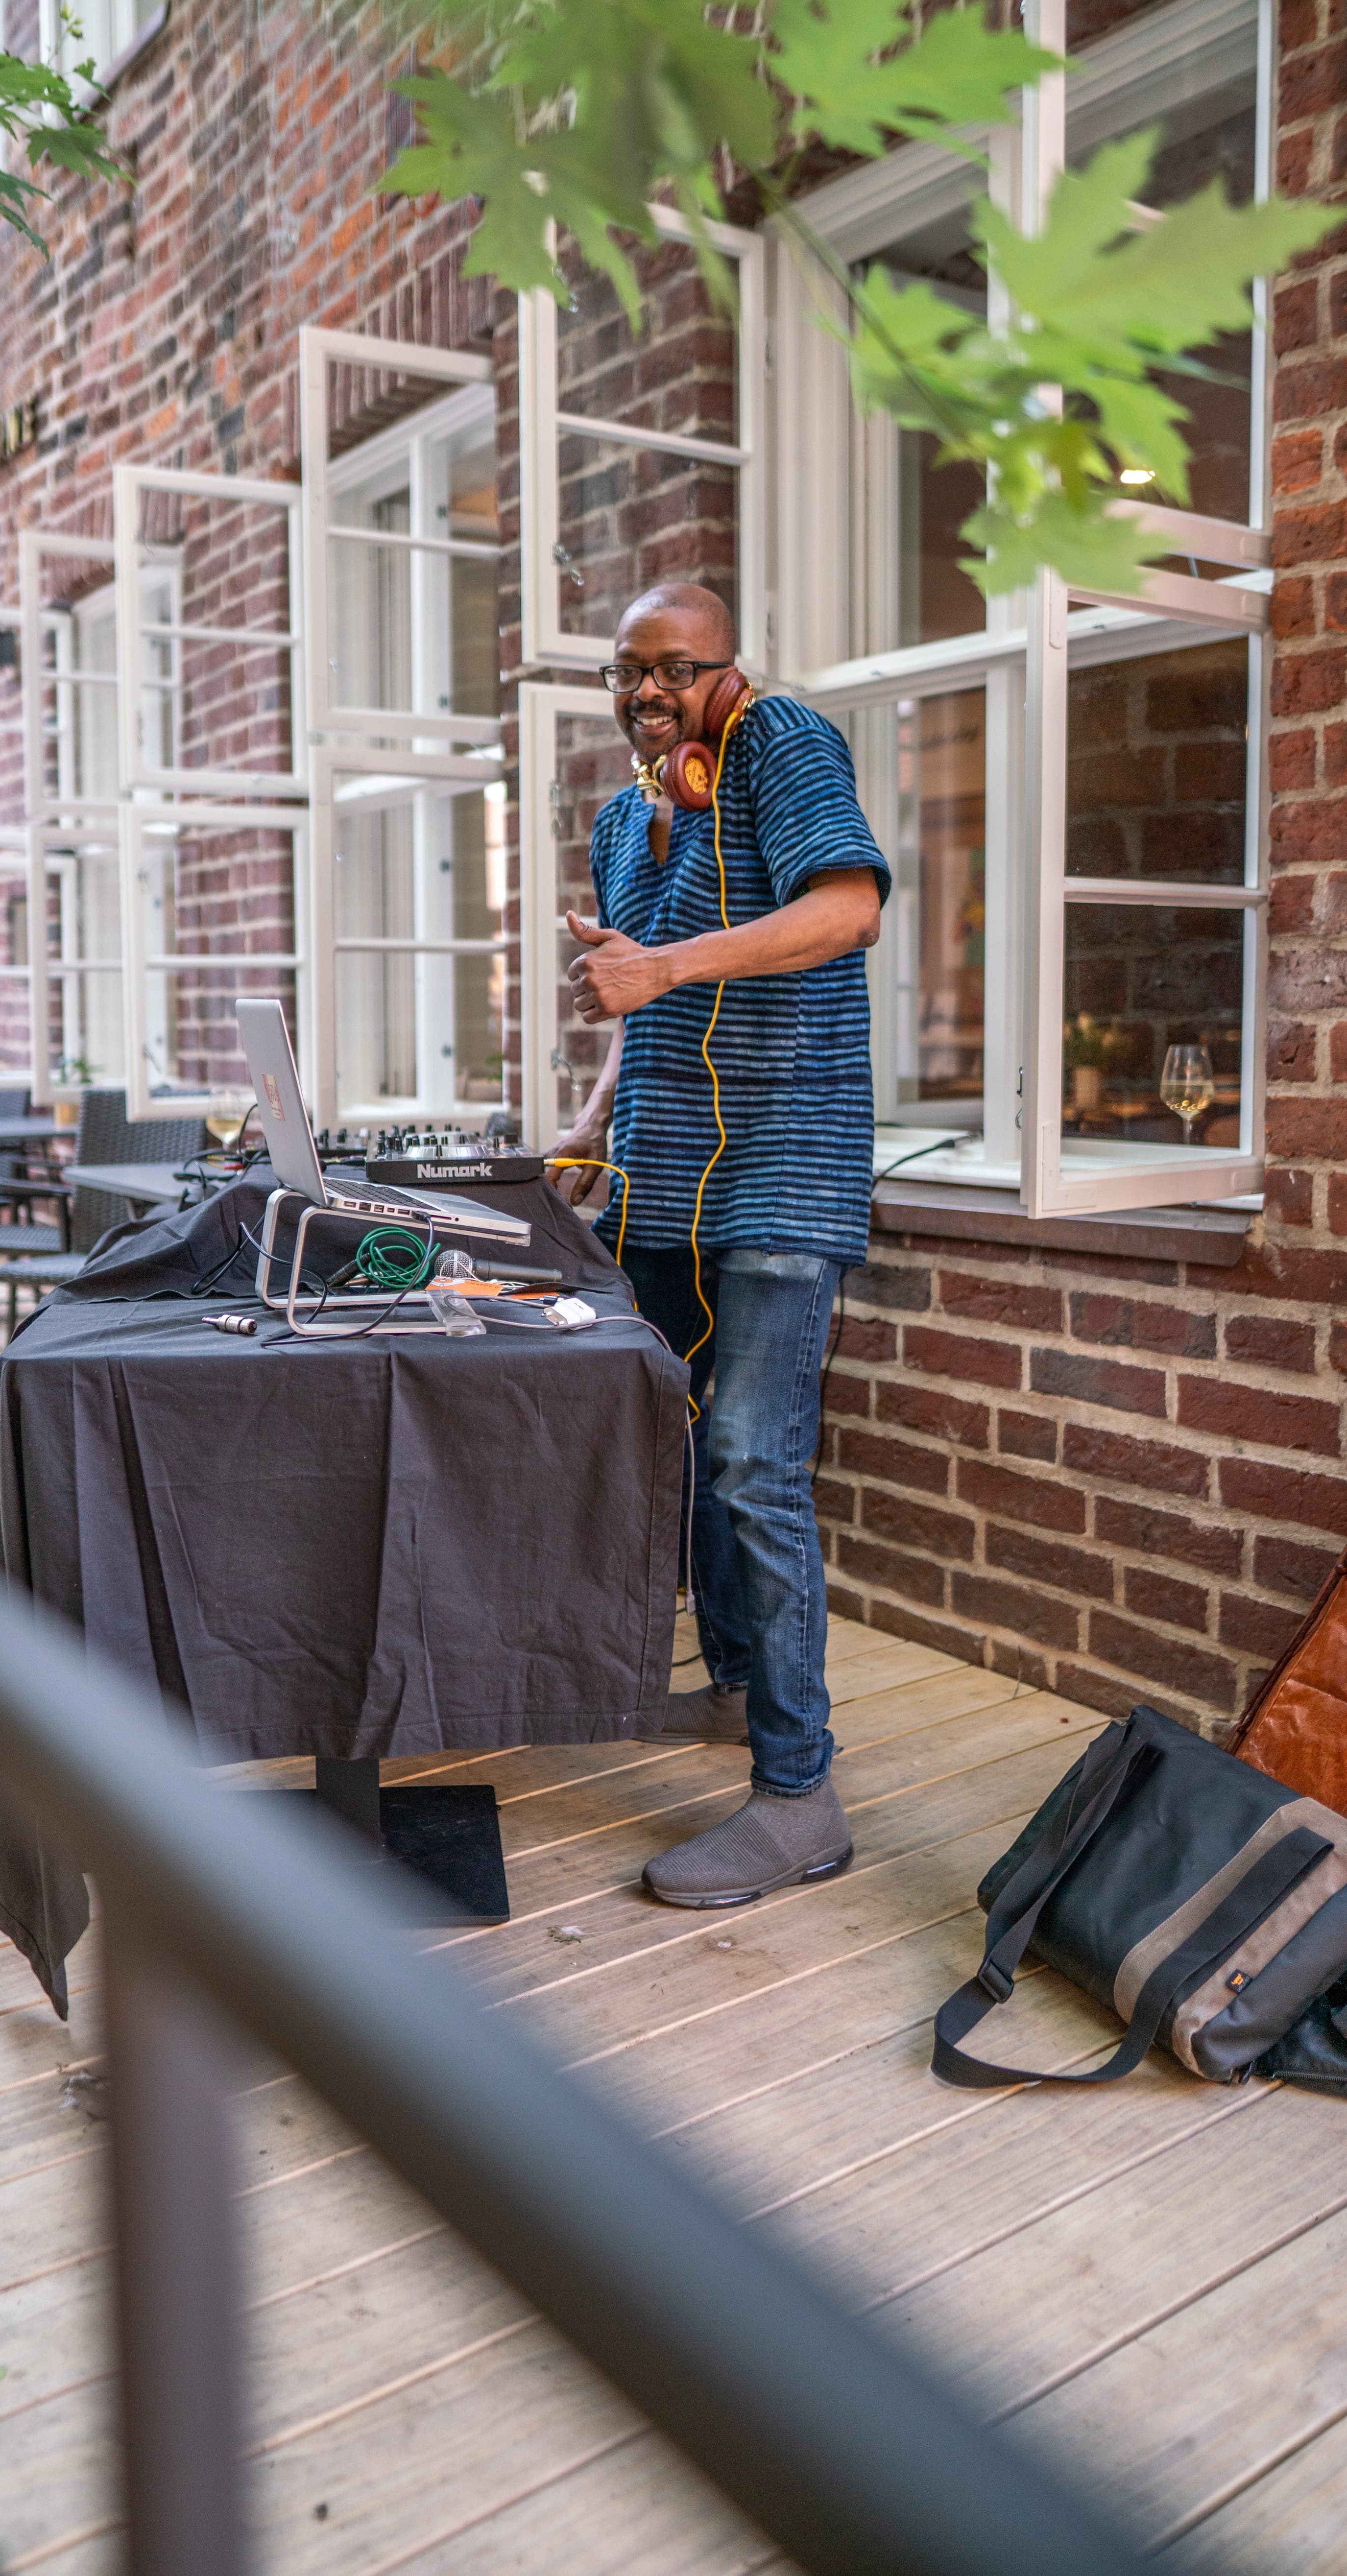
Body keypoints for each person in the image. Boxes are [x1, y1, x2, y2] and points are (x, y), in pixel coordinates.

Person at [549, 581, 889, 1911]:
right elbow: (634, 1010)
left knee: (755, 1464)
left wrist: (668, 967)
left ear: (727, 673)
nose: (648, 693)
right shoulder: (621, 819)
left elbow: (847, 911)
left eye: (674, 669)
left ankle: (800, 1796)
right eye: (626, 673)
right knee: (681, 1457)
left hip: (785, 1177)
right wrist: (579, 1141)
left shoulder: (788, 743)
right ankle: (745, 1697)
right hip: (658, 1187)